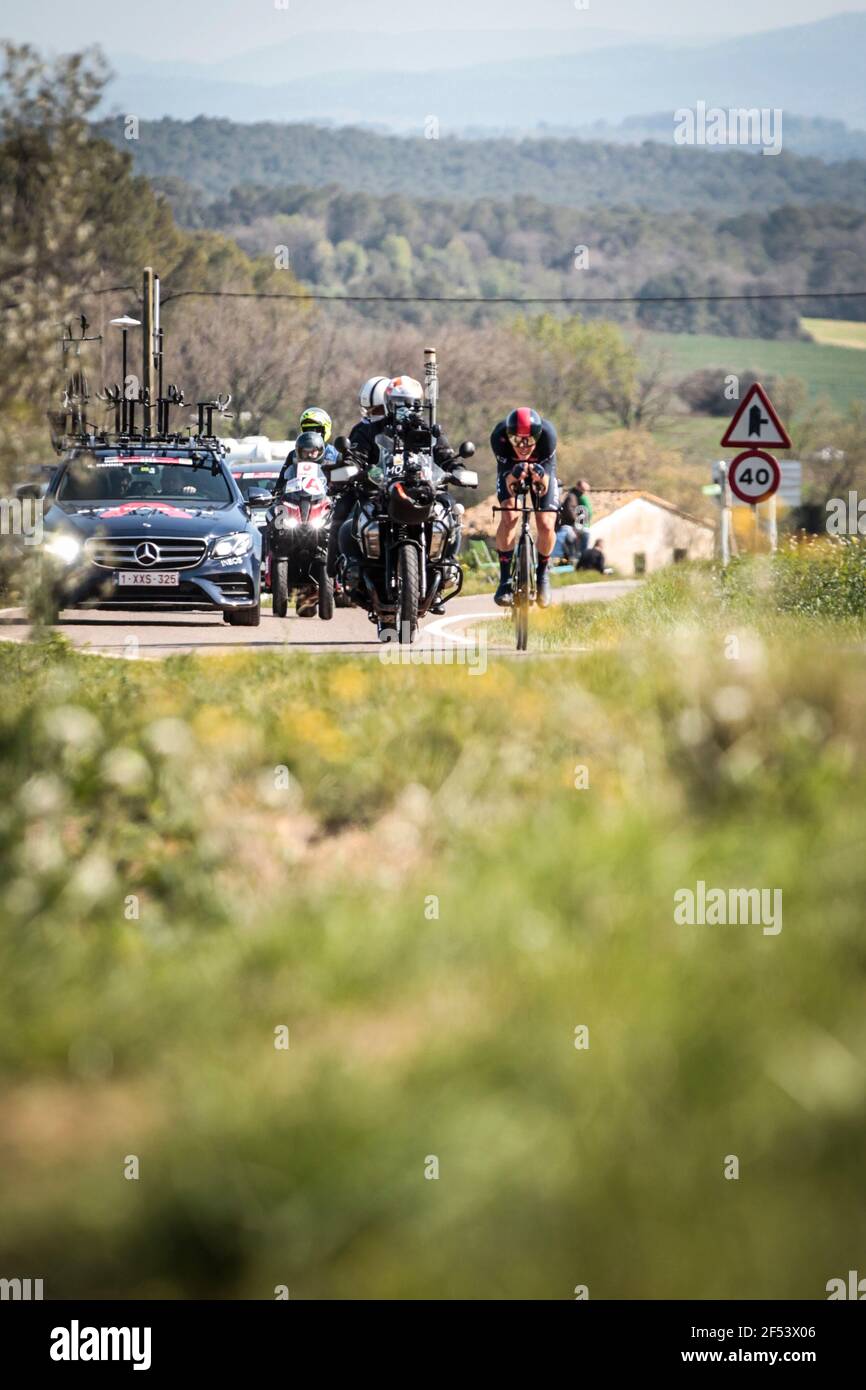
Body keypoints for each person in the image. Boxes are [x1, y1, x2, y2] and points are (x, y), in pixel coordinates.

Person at [490, 407, 559, 608]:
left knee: (546, 523)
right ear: (508, 436)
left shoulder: (548, 436)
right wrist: (515, 475)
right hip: (510, 468)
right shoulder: (499, 436)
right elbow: (508, 481)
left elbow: (544, 485)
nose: (523, 446)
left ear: (537, 436)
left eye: (529, 441)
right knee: (509, 516)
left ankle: (542, 575)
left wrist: (539, 477)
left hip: (542, 468)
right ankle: (505, 581)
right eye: (517, 440)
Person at [556, 479, 593, 567]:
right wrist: (577, 523)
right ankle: (579, 559)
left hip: (573, 525)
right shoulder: (572, 497)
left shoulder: (576, 496)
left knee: (584, 535)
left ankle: (580, 559)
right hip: (569, 525)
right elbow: (569, 511)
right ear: (578, 487)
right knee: (584, 535)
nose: (584, 492)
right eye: (583, 490)